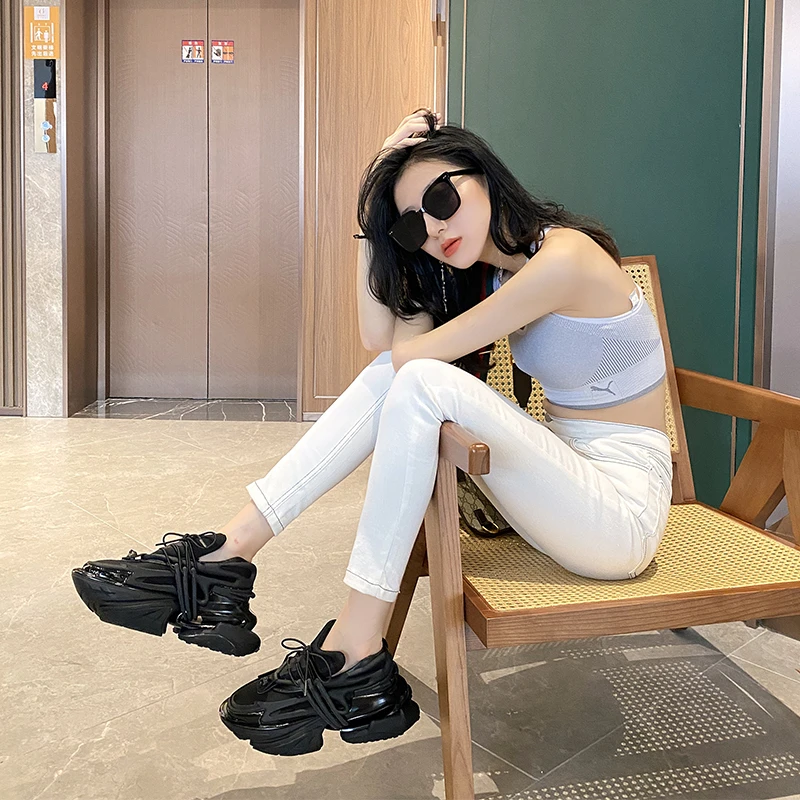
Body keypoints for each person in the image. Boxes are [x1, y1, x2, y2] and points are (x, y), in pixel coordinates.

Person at [71, 108, 673, 757]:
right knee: (402, 374)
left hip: (620, 518)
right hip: (565, 491)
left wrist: (387, 208)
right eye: (413, 224)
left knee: (418, 377)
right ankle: (228, 556)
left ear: (483, 174)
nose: (433, 227)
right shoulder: (499, 273)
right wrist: (372, 223)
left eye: (441, 198)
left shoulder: (565, 256)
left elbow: (411, 359)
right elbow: (378, 340)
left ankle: (345, 640)